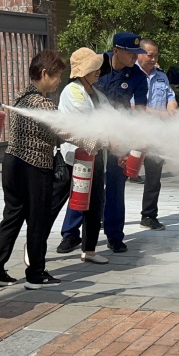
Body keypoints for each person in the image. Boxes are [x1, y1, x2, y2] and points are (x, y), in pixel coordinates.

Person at [0, 50, 101, 290]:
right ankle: (36, 274)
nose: (59, 81)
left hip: (11, 165)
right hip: (34, 167)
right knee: (37, 219)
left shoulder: (21, 97)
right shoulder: (42, 104)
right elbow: (66, 131)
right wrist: (97, 143)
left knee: (11, 218)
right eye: (57, 76)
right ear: (45, 73)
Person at [89, 31, 149, 254]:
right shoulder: (96, 64)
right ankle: (73, 233)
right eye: (131, 53)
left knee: (116, 184)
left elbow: (141, 111)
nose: (135, 57)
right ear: (116, 51)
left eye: (137, 52)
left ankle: (114, 235)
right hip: (92, 132)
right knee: (86, 180)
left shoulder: (137, 76)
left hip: (119, 134)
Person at [51, 47, 110, 263]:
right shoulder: (73, 91)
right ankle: (33, 244)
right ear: (81, 71)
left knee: (95, 203)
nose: (98, 71)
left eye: (98, 67)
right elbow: (89, 120)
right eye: (93, 67)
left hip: (95, 156)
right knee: (55, 203)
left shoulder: (98, 94)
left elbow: (111, 115)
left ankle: (90, 250)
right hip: (73, 157)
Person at [131, 38, 178, 231]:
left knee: (153, 177)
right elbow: (132, 106)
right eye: (150, 55)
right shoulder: (130, 75)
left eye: (156, 55)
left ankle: (149, 216)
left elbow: (170, 97)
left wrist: (172, 109)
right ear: (139, 54)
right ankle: (103, 215)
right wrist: (160, 114)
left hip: (156, 134)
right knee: (119, 176)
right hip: (132, 133)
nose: (154, 59)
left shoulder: (161, 76)